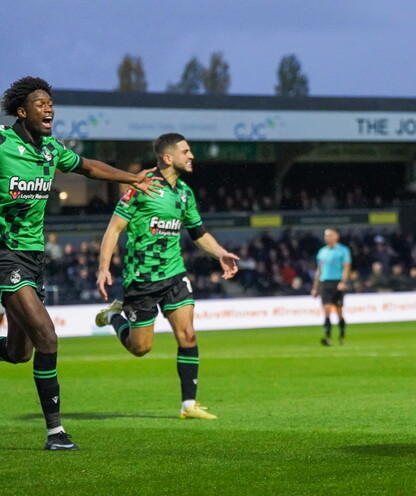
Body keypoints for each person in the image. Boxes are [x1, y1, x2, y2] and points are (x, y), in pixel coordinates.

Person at [0, 76, 161, 451]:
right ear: (22, 112)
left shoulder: (51, 150)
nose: (49, 109)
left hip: (33, 256)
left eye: (51, 104)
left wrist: (133, 178)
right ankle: (55, 432)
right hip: (5, 254)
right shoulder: (3, 143)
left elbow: (88, 167)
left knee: (19, 353)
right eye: (41, 104)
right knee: (48, 337)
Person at [94, 133, 239, 420]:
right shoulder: (141, 188)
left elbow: (198, 233)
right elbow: (114, 230)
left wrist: (220, 253)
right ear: (168, 157)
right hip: (142, 279)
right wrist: (103, 267)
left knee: (188, 334)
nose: (192, 156)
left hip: (174, 274)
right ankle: (113, 316)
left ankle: (189, 405)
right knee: (141, 348)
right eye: (186, 151)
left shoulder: (184, 193)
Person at [310, 228, 351, 345]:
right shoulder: (322, 252)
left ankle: (342, 337)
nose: (327, 237)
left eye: (329, 235)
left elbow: (346, 267)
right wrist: (315, 287)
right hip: (325, 283)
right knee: (326, 310)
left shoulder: (343, 250)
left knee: (339, 311)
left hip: (337, 282)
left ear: (336, 236)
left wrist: (343, 281)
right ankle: (327, 337)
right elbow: (319, 270)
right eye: (325, 235)